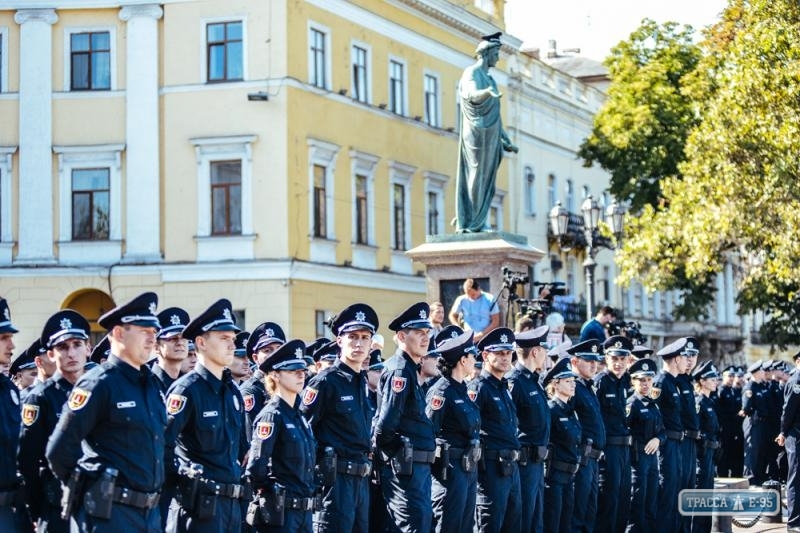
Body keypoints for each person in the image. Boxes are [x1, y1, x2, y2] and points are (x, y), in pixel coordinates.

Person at [46, 292, 166, 532]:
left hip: (149, 515)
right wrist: (90, 485)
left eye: (154, 331)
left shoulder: (151, 384)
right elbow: (58, 451)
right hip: (109, 516)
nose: (152, 338)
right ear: (119, 334)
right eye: (144, 330)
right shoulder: (99, 383)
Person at [164, 299, 248, 533]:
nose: (232, 345)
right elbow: (162, 446)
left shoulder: (232, 392)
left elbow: (240, 451)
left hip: (231, 506)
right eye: (224, 338)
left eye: (232, 339)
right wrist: (184, 481)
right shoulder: (187, 390)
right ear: (201, 342)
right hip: (198, 509)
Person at [300, 303, 377, 532]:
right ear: (339, 341)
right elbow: (304, 431)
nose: (359, 343)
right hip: (334, 481)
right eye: (352, 336)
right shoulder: (325, 382)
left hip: (361, 480)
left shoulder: (360, 381)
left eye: (365, 337)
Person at [20, 310, 91, 533]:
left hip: (99, 505)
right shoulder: (40, 397)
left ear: (88, 348)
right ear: (51, 354)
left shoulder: (101, 391)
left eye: (77, 344)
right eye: (62, 347)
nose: (71, 353)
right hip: (56, 507)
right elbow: (27, 461)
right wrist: (36, 510)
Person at [373, 302, 436, 533]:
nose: (425, 338)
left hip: (414, 469)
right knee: (412, 527)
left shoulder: (409, 369)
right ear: (401, 336)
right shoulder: (400, 371)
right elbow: (386, 425)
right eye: (419, 333)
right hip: (404, 469)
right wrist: (397, 454)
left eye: (427, 333)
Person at [245, 339, 316, 532]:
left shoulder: (299, 415)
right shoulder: (271, 415)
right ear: (275, 375)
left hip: (304, 511)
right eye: (293, 371)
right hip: (281, 513)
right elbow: (256, 468)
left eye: (302, 371)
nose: (301, 375)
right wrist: (273, 494)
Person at [454, 32, 518, 233]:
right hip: (475, 132)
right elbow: (470, 94)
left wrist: (506, 139)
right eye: (496, 53)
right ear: (486, 53)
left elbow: (497, 116)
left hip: (490, 132)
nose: (498, 57)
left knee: (487, 177)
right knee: (477, 173)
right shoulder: (471, 73)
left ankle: (479, 218)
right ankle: (474, 221)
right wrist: (486, 94)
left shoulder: (491, 79)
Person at [425, 330, 481, 533]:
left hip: (468, 467)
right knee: (449, 525)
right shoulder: (441, 391)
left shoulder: (462, 389)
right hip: (449, 470)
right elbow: (429, 430)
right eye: (472, 355)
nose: (476, 359)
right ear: (463, 360)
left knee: (465, 526)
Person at [472, 327, 522, 532]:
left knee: (513, 524)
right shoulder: (478, 387)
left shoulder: (504, 387)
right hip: (491, 468)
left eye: (508, 353)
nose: (505, 358)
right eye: (499, 353)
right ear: (485, 355)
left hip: (511, 466)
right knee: (489, 524)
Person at [508, 325, 551, 533]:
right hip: (524, 462)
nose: (546, 355)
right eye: (544, 350)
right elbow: (508, 423)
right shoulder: (514, 382)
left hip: (537, 461)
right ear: (535, 352)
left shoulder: (534, 380)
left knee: (537, 521)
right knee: (524, 518)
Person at [595, 335, 634, 533]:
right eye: (614, 359)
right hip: (608, 448)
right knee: (608, 500)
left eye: (622, 359)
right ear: (606, 359)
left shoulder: (628, 382)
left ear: (628, 360)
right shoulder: (601, 382)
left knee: (623, 499)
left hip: (625, 449)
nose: (618, 364)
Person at [652, 338, 690, 533]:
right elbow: (654, 414)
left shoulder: (675, 382)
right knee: (667, 492)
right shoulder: (661, 382)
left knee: (676, 492)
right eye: (685, 358)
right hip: (666, 445)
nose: (688, 361)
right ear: (675, 359)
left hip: (677, 443)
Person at [567, 339, 605, 533]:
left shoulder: (589, 388)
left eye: (595, 360)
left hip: (593, 460)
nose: (594, 364)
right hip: (581, 459)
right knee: (578, 515)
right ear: (574, 362)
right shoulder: (573, 388)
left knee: (590, 513)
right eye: (588, 360)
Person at [543, 357, 581, 533]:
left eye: (573, 381)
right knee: (553, 522)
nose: (573, 385)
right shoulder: (551, 409)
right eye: (568, 381)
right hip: (554, 476)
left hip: (569, 475)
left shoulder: (570, 410)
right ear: (556, 384)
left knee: (566, 523)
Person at [626, 358, 664, 533]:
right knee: (637, 502)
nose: (646, 384)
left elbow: (663, 431)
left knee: (651, 502)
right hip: (637, 461)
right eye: (642, 380)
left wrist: (658, 439)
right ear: (634, 381)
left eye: (649, 380)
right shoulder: (632, 404)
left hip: (652, 462)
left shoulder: (653, 404)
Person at [240, 322, 286, 438]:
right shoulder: (250, 390)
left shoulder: (286, 384)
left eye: (279, 349)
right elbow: (251, 436)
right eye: (267, 350)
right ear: (255, 358)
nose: (275, 354)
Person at [692, 360, 721, 533]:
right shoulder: (699, 402)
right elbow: (696, 431)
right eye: (712, 378)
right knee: (700, 495)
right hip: (701, 455)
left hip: (710, 453)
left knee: (707, 494)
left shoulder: (709, 402)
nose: (715, 381)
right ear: (702, 381)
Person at [779, 351, 800, 533]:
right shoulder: (795, 382)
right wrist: (783, 432)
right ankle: (793, 522)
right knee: (795, 478)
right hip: (796, 436)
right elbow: (788, 411)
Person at [741, 360, 770, 486]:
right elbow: (746, 407)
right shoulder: (750, 387)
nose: (764, 373)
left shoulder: (759, 386)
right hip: (753, 422)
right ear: (757, 372)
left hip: (761, 423)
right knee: (752, 451)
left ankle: (758, 477)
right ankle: (750, 478)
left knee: (760, 451)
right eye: (762, 370)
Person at [153, 307, 191, 397]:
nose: (180, 343)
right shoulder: (149, 384)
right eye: (173, 339)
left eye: (184, 338)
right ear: (156, 347)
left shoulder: (190, 384)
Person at [717, 365, 744, 477]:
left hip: (734, 427)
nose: (732, 378)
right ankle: (722, 475)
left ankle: (735, 474)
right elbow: (720, 411)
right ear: (723, 376)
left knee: (735, 452)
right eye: (729, 376)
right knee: (724, 453)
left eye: (733, 376)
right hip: (725, 427)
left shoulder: (733, 390)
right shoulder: (721, 391)